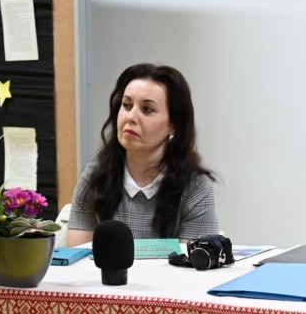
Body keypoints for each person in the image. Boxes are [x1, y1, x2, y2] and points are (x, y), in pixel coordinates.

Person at [67, 64, 219, 245]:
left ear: (173, 125)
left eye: (147, 109)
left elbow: (195, 261)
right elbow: (77, 256)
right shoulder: (94, 177)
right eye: (126, 105)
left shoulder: (195, 187)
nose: (131, 117)